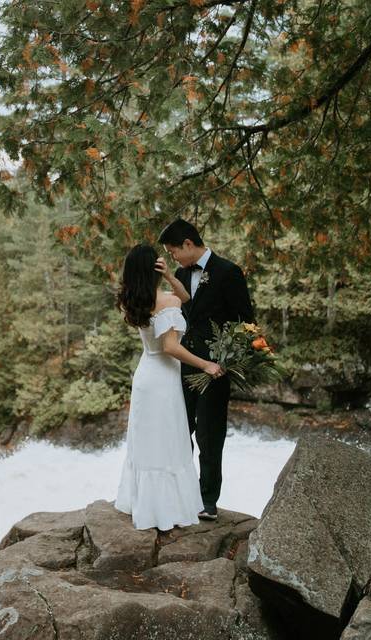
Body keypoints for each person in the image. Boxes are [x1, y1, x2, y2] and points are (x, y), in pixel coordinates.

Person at [114, 244, 222, 531]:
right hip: (163, 379)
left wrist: (172, 278)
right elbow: (171, 347)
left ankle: (145, 502)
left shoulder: (132, 300)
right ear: (154, 269)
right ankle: (165, 508)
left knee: (149, 440)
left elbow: (185, 297)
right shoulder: (167, 303)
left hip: (145, 375)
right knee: (167, 440)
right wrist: (206, 365)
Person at [158, 219, 255, 521]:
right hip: (185, 363)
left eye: (174, 251)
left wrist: (229, 360)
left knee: (210, 435)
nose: (174, 258)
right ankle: (180, 492)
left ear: (188, 244)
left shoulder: (228, 272)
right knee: (179, 429)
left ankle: (207, 500)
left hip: (217, 368)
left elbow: (246, 321)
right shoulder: (179, 275)